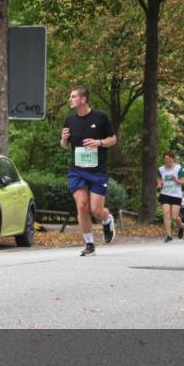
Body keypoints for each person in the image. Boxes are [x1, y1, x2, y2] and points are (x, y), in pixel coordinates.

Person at [60, 85, 117, 256]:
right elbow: (65, 145)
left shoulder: (100, 117)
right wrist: (63, 140)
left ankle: (107, 219)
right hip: (77, 170)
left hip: (97, 171)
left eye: (73, 96)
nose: (70, 99)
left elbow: (113, 139)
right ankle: (90, 243)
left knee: (96, 210)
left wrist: (99, 142)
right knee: (82, 205)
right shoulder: (70, 120)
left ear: (83, 99)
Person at [156, 151, 184, 242]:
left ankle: (181, 226)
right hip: (165, 194)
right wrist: (159, 185)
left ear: (172, 159)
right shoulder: (161, 169)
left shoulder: (179, 168)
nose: (167, 161)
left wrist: (176, 179)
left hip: (176, 194)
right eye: (165, 159)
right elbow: (159, 179)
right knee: (166, 213)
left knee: (174, 217)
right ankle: (169, 235)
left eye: (169, 159)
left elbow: (183, 182)